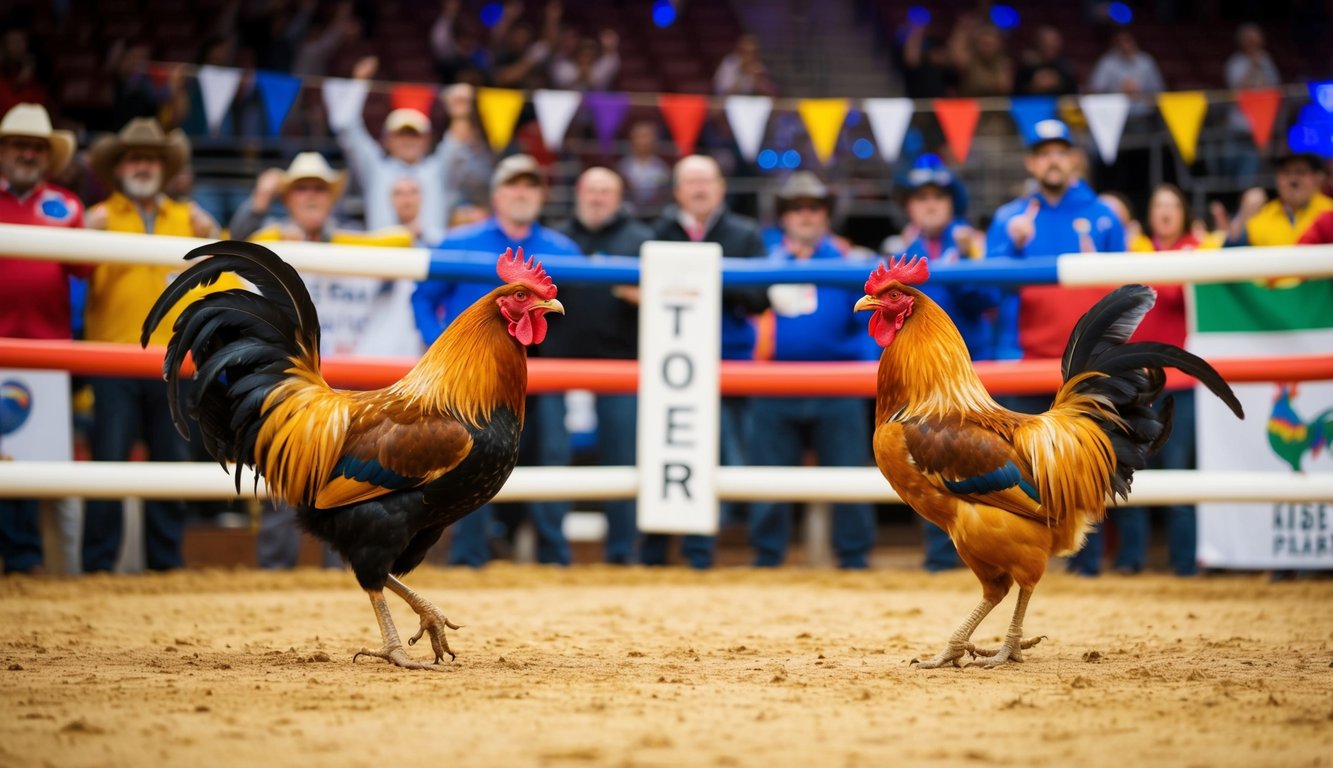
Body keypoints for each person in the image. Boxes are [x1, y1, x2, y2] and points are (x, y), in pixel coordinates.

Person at [237, 151, 416, 569]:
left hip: (349, 392)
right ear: (289, 197)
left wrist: (324, 244)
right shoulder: (271, 239)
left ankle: (341, 579)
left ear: (331, 196)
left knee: (349, 485)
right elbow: (236, 248)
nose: (312, 195)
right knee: (285, 480)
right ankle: (275, 576)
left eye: (319, 188)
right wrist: (268, 223)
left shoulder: (352, 242)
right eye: (303, 188)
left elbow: (402, 242)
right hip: (295, 387)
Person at [412, 154, 583, 567]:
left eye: (531, 185)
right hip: (474, 385)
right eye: (513, 184)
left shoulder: (564, 248)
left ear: (541, 194)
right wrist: (450, 354)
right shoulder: (458, 243)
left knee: (552, 459)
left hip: (541, 375)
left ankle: (554, 559)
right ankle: (470, 558)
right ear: (497, 194)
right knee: (470, 464)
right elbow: (422, 299)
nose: (522, 192)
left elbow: (580, 313)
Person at [81, 118, 224, 573]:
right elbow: (71, 280)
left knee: (171, 462)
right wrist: (83, 236)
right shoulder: (98, 218)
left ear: (164, 169)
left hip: (173, 363)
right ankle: (97, 566)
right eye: (134, 158)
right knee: (108, 461)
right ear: (120, 166)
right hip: (112, 360)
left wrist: (216, 235)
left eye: (150, 159)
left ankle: (165, 566)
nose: (143, 165)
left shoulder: (191, 219)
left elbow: (225, 282)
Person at [985, 118, 1126, 575]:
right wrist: (1011, 249)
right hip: (1025, 360)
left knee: (1093, 463)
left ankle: (1094, 564)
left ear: (1074, 159)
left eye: (1060, 150)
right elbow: (984, 294)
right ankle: (1024, 558)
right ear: (1031, 161)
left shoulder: (1104, 216)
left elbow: (1124, 294)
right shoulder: (1010, 220)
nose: (1052, 159)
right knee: (1021, 470)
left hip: (1085, 363)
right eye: (1043, 151)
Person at [642, 154, 770, 568]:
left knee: (729, 458)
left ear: (720, 188)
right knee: (662, 454)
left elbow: (759, 297)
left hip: (726, 363)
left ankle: (703, 552)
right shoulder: (656, 232)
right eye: (691, 182)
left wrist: (699, 282)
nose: (699, 189)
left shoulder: (745, 233)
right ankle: (656, 554)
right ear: (678, 190)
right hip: (669, 366)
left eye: (706, 181)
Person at [746, 172, 877, 569]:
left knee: (850, 476)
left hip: (838, 385)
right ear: (783, 217)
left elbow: (870, 326)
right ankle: (768, 559)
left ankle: (854, 560)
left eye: (813, 208)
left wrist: (868, 375)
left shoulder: (852, 263)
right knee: (769, 480)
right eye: (796, 208)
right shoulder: (762, 264)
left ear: (826, 215)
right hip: (773, 385)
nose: (805, 215)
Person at [895, 155, 1001, 571]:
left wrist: (969, 263)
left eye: (938, 196)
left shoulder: (970, 248)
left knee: (980, 469)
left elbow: (990, 301)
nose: (930, 204)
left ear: (952, 203)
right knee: (927, 469)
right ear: (910, 207)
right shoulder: (901, 253)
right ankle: (941, 555)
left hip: (966, 376)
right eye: (921, 198)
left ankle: (987, 556)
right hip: (922, 382)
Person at [0, 103, 89, 576]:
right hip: (10, 352)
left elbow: (86, 267)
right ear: (3, 150)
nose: (28, 154)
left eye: (36, 147)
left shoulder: (68, 206)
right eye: (19, 144)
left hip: (46, 354)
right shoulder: (67, 207)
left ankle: (31, 561)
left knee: (37, 464)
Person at [551, 167, 653, 564]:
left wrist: (645, 293)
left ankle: (622, 551)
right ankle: (551, 552)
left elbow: (669, 297)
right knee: (552, 455)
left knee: (623, 456)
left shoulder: (642, 240)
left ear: (618, 196)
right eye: (591, 189)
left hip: (622, 364)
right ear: (578, 192)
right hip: (558, 364)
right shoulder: (557, 240)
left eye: (605, 191)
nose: (597, 197)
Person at [332, 55, 489, 246]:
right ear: (387, 141)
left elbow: (455, 144)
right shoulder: (376, 169)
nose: (408, 141)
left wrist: (461, 113)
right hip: (381, 266)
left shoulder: (437, 171)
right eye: (401, 134)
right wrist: (359, 83)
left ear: (427, 140)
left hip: (430, 264)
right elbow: (346, 128)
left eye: (414, 135)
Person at [1225, 149, 1332, 248]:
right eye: (1286, 173)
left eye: (1301, 172)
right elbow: (1228, 254)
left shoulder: (1330, 211)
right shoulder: (1258, 217)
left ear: (1318, 178)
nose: (1293, 180)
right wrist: (1242, 218)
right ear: (1276, 179)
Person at [616, 121, 671, 219]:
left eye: (646, 136)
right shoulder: (623, 167)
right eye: (638, 136)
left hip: (655, 214)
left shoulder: (662, 167)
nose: (643, 141)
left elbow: (663, 193)